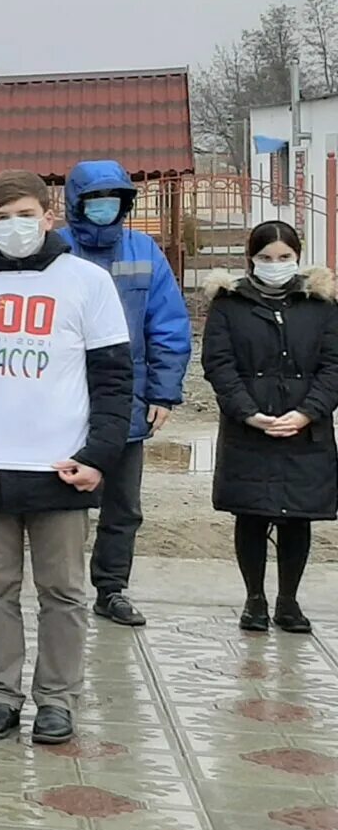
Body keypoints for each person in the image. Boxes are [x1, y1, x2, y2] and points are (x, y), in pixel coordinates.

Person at [0, 171, 132, 745]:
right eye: (2, 217)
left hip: (63, 468)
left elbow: (115, 380)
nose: (15, 226)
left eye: (26, 214)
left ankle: (57, 700)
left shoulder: (86, 283)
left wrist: (98, 455)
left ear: (49, 217)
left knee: (63, 592)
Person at [63, 161, 192, 629]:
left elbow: (169, 325)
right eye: (95, 198)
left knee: (123, 506)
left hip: (127, 403)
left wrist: (163, 391)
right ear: (76, 202)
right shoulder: (56, 250)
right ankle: (63, 589)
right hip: (63, 401)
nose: (104, 207)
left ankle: (112, 588)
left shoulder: (144, 251)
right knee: (63, 506)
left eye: (113, 198)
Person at [201, 222, 338, 634]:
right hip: (250, 427)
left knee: (298, 516)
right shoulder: (229, 304)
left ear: (297, 258)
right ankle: (255, 599)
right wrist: (247, 412)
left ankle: (289, 601)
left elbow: (333, 366)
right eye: (265, 258)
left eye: (284, 258)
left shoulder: (321, 304)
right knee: (253, 515)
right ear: (251, 260)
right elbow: (218, 364)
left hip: (306, 429)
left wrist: (308, 412)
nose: (275, 265)